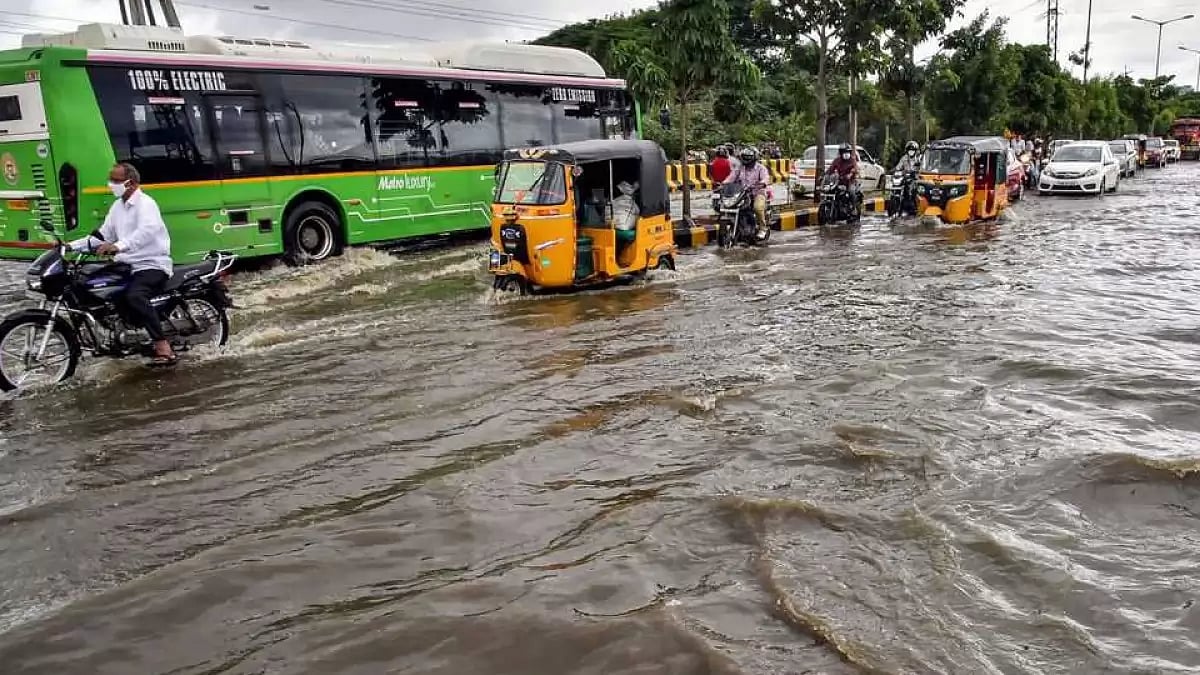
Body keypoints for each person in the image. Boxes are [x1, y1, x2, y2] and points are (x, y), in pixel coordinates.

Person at [71, 163, 177, 366]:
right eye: (111, 180)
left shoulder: (146, 204)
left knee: (135, 295)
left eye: (117, 180)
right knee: (91, 284)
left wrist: (119, 246)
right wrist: (71, 246)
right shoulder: (117, 207)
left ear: (132, 183)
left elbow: (147, 231)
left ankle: (163, 346)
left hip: (151, 263)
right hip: (126, 265)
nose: (112, 184)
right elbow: (103, 235)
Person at [723, 146, 770, 238]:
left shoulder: (761, 168)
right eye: (744, 157)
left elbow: (766, 178)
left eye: (748, 157)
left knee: (757, 208)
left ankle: (762, 229)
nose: (746, 160)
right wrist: (723, 183)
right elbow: (731, 177)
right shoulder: (739, 168)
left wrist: (762, 183)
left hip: (757, 192)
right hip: (741, 193)